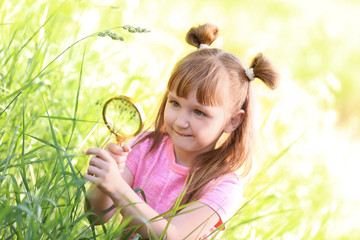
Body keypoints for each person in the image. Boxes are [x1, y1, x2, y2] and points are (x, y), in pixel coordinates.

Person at [84, 23, 279, 239]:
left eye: (198, 112)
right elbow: (96, 217)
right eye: (175, 103)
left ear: (233, 121)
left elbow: (172, 235)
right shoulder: (145, 146)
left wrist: (118, 187)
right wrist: (105, 182)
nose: (180, 121)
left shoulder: (224, 186)